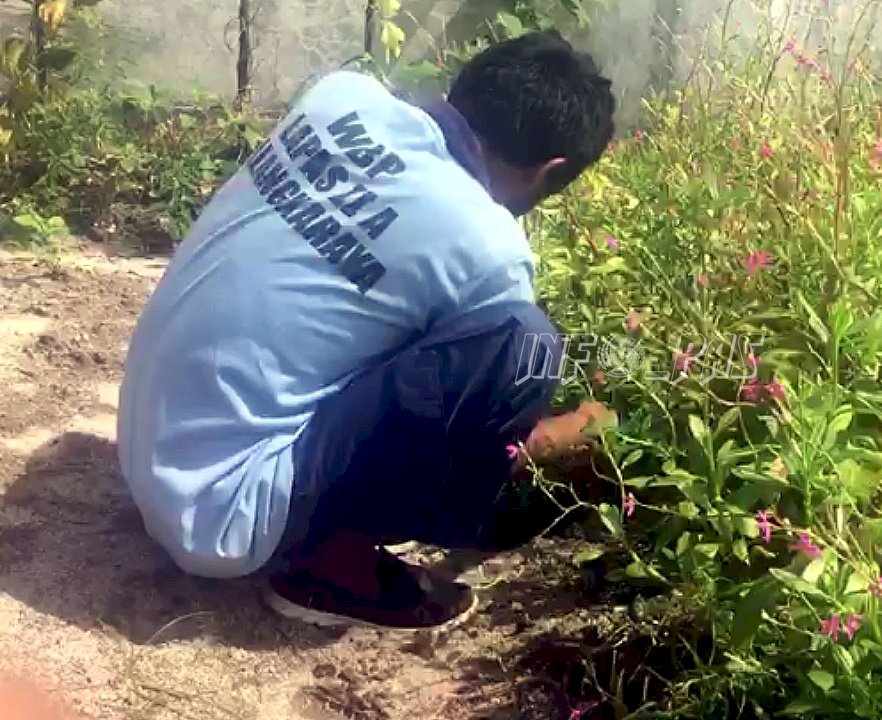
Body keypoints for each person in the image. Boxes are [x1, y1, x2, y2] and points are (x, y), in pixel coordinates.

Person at [117, 30, 618, 631]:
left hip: (151, 443)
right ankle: (330, 565)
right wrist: (586, 427)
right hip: (229, 516)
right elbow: (483, 431)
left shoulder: (340, 96)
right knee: (523, 343)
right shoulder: (489, 244)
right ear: (549, 171)